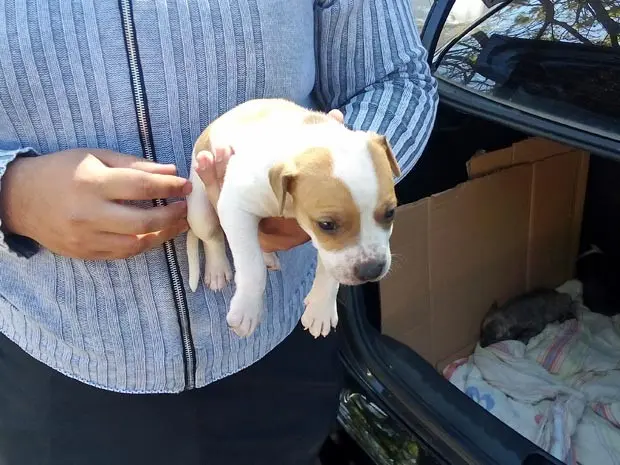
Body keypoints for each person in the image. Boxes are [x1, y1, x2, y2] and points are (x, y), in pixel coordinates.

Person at [0, 1, 437, 464]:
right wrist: (11, 194)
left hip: (281, 345)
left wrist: (333, 178)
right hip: (57, 358)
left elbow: (398, 78)